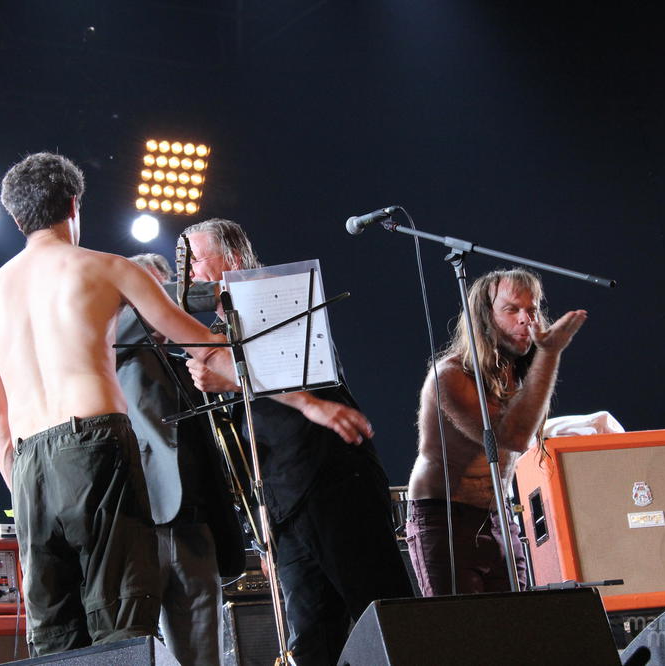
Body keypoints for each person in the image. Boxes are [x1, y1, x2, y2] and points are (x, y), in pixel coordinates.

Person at [0, 153, 228, 657]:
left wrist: (25, 487)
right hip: (96, 444)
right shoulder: (107, 267)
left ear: (17, 219)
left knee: (55, 635)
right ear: (73, 205)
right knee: (120, 619)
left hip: (27, 463)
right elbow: (200, 344)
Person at [183, 218, 413, 665]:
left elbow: (296, 371)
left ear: (233, 258)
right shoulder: (224, 332)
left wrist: (230, 375)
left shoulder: (278, 297)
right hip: (283, 504)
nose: (189, 273)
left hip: (332, 480)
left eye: (196, 260)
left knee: (381, 614)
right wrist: (262, 527)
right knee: (311, 638)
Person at [405, 268, 587, 596]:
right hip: (445, 518)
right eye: (512, 309)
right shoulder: (450, 376)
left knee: (515, 619)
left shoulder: (520, 377)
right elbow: (511, 437)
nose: (526, 319)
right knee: (463, 623)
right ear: (486, 317)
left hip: (499, 516)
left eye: (531, 309)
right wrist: (549, 353)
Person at [117, 253, 244, 666]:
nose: (160, 304)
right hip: (140, 529)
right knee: (131, 651)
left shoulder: (187, 366)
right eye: (149, 292)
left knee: (204, 656)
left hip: (195, 529)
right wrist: (213, 291)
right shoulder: (111, 347)